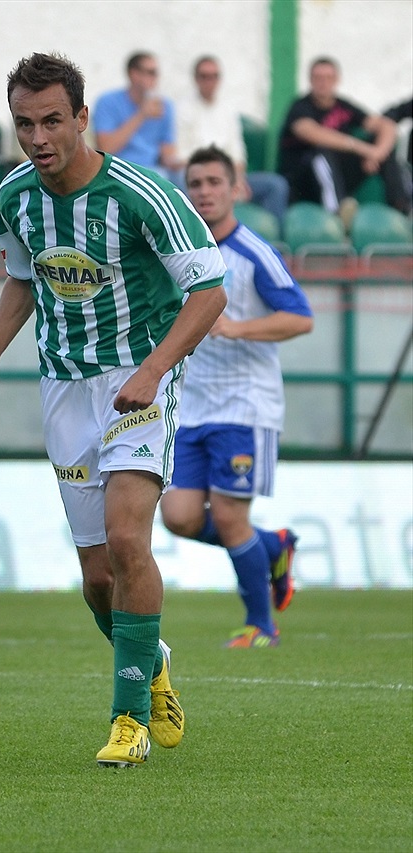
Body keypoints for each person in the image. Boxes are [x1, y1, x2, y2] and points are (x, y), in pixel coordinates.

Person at [0, 53, 227, 766]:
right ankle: (152, 657)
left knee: (130, 541)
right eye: (23, 124)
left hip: (139, 380)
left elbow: (209, 293)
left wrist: (153, 369)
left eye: (52, 120)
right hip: (64, 388)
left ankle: (128, 721)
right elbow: (23, 278)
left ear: (81, 118)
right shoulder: (15, 196)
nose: (38, 137)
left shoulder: (143, 196)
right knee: (99, 579)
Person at [160, 145, 314, 648]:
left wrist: (239, 328)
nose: (204, 191)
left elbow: (300, 316)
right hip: (192, 408)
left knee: (229, 517)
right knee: (179, 517)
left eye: (213, 182)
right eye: (196, 183)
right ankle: (272, 546)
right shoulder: (180, 253)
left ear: (236, 189)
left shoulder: (254, 252)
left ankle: (261, 625)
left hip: (246, 405)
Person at [277, 57, 411, 220]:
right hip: (303, 183)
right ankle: (337, 214)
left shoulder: (343, 106)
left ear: (337, 80)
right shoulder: (299, 107)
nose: (323, 83)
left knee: (384, 149)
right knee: (320, 155)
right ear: (310, 80)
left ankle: (402, 209)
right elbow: (314, 134)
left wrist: (378, 153)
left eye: (328, 78)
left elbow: (386, 125)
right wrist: (365, 149)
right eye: (318, 78)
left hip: (338, 177)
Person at [176, 56, 290, 229]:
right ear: (196, 78)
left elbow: (238, 153)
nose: (209, 81)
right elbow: (181, 156)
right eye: (204, 76)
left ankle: (275, 249)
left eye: (214, 76)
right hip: (200, 178)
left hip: (229, 175)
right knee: (183, 184)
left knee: (276, 185)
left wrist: (236, 178)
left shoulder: (227, 109)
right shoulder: (182, 109)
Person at [93, 52, 183, 183]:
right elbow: (105, 148)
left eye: (156, 73)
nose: (155, 78)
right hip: (118, 170)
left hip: (155, 170)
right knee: (159, 178)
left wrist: (180, 162)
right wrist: (141, 115)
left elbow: (167, 153)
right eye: (151, 72)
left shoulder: (164, 105)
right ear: (134, 74)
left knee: (186, 176)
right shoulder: (107, 102)